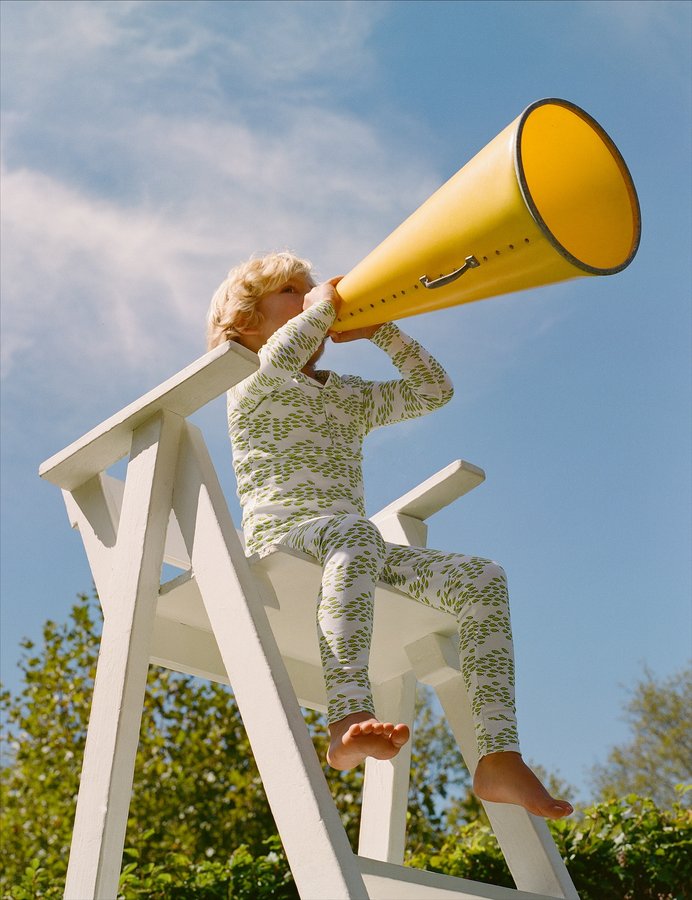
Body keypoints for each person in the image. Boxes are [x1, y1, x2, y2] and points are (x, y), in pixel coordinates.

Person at [207, 251, 573, 819]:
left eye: (310, 291)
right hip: (281, 542)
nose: (308, 299)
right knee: (356, 533)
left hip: (351, 549)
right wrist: (324, 306)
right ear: (248, 322)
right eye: (291, 292)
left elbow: (433, 390)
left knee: (481, 579)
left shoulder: (343, 394)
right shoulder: (253, 379)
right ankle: (347, 718)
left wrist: (383, 332)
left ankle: (498, 757)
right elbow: (284, 356)